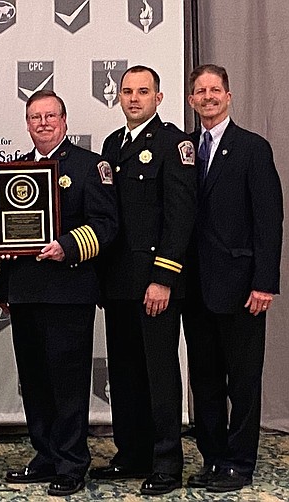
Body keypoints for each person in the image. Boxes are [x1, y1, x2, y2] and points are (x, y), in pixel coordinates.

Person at [0, 90, 117, 496]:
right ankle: (45, 454)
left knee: (67, 382)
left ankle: (71, 462)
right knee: (35, 380)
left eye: (50, 116)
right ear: (27, 124)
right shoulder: (16, 170)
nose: (43, 123)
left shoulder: (89, 165)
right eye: (35, 117)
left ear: (64, 120)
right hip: (26, 292)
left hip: (69, 290)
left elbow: (106, 225)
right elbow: (3, 230)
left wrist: (68, 244)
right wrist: (3, 288)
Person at [92, 66, 197, 496]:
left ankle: (167, 463)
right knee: (126, 371)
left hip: (155, 284)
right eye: (127, 91)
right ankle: (131, 453)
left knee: (158, 372)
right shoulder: (113, 144)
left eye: (143, 91)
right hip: (118, 283)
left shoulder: (175, 144)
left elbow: (180, 217)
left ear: (159, 97)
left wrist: (163, 279)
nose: (134, 98)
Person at [182, 64, 283, 493]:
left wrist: (264, 282)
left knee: (243, 379)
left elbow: (269, 221)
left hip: (242, 288)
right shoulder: (182, 148)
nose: (208, 97)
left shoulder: (252, 148)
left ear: (229, 95)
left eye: (215, 90)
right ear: (191, 100)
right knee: (203, 378)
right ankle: (213, 457)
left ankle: (240, 462)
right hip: (194, 287)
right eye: (200, 91)